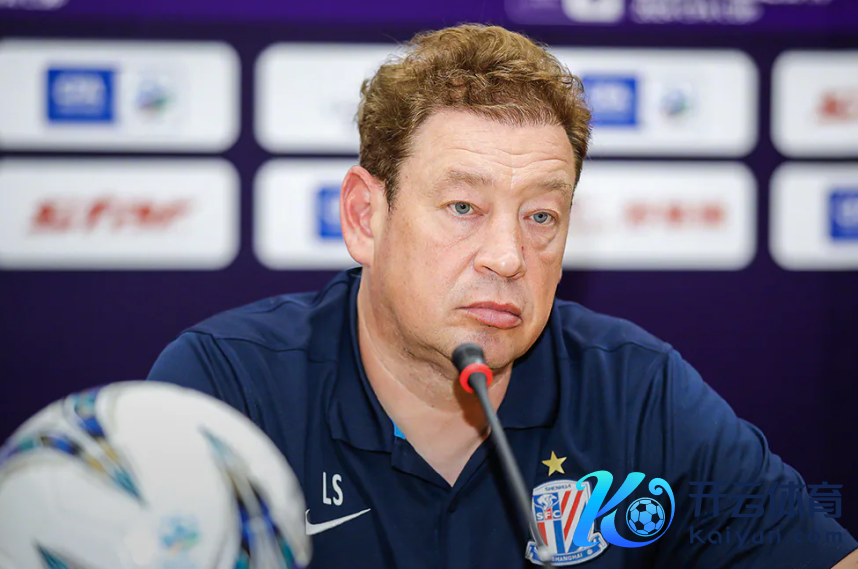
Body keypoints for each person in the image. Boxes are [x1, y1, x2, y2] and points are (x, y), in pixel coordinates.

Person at [148, 24, 858, 568]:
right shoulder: (226, 389)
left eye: (541, 216)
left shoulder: (637, 392)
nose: (509, 257)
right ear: (366, 217)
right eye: (463, 207)